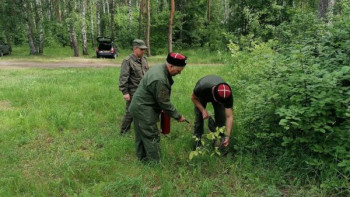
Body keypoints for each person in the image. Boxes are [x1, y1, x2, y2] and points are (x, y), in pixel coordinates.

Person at [129, 52, 187, 162]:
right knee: (151, 136)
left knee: (142, 136)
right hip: (143, 109)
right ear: (170, 66)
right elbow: (164, 102)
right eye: (178, 71)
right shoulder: (160, 79)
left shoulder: (160, 67)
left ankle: (143, 159)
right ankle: (155, 164)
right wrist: (178, 116)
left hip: (138, 106)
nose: (179, 73)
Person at [191, 75, 234, 149]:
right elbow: (193, 98)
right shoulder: (201, 87)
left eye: (222, 102)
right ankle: (197, 142)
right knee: (199, 118)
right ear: (213, 93)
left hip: (219, 96)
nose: (220, 103)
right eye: (218, 101)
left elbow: (229, 116)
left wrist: (228, 135)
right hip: (202, 96)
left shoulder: (227, 94)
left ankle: (219, 142)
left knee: (221, 117)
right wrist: (203, 110)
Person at [119, 39, 149, 134]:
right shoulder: (127, 61)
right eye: (141, 49)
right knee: (130, 112)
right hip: (133, 91)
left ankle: (142, 130)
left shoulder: (144, 60)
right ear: (135, 49)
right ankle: (124, 132)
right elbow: (123, 77)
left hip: (144, 90)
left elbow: (147, 74)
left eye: (144, 49)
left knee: (145, 111)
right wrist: (125, 92)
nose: (143, 51)